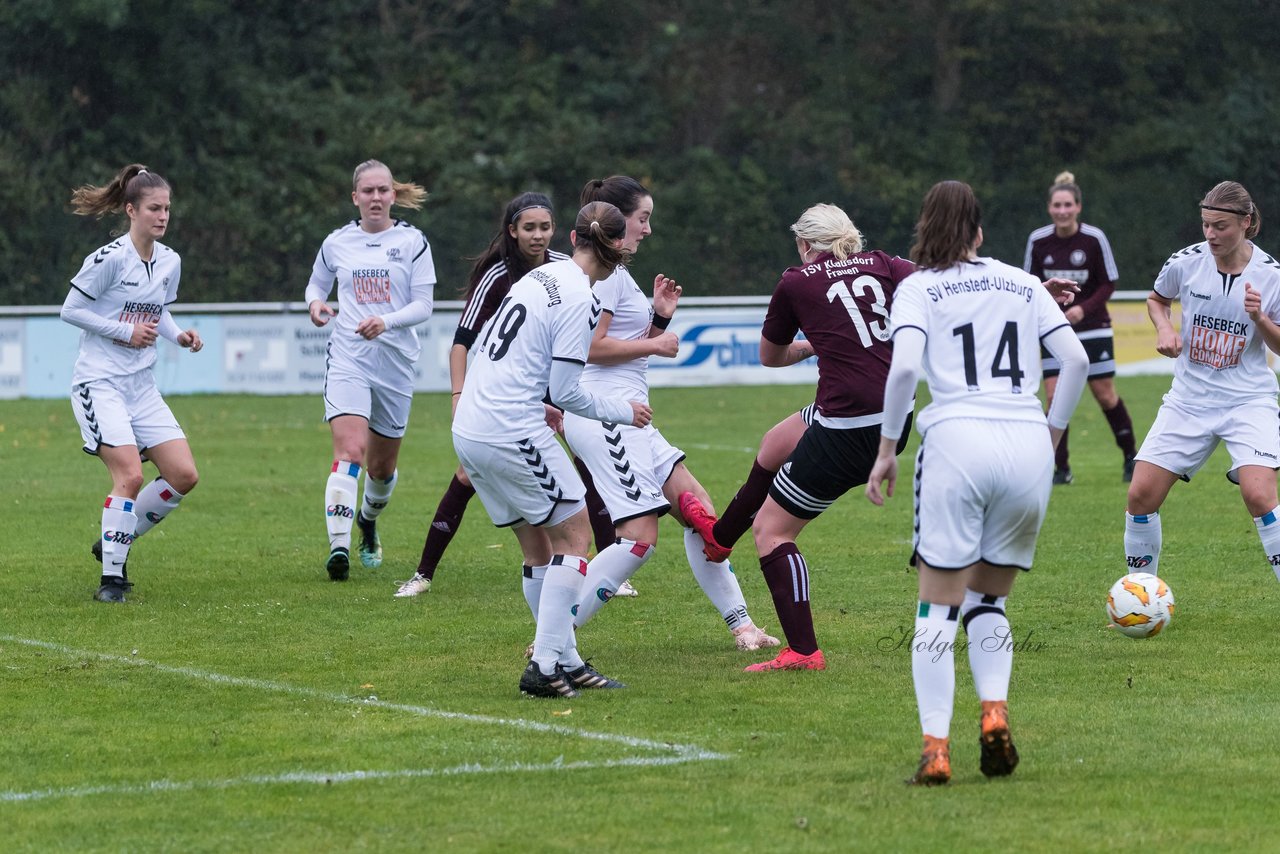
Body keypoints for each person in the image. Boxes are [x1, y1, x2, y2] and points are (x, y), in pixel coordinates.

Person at [866, 180, 1088, 786]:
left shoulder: (917, 287)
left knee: (936, 607)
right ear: (980, 231)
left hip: (957, 439)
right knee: (989, 601)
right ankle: (994, 714)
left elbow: (907, 365)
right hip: (1024, 443)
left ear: (925, 228)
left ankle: (936, 750)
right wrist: (1050, 436)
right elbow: (1076, 361)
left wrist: (887, 450)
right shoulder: (1021, 280)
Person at [685, 203, 915, 671]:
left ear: (805, 244)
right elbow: (951, 281)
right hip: (895, 415)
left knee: (772, 531)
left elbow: (770, 357)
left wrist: (812, 344)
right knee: (776, 441)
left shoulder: (797, 281)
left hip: (849, 428)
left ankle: (803, 652)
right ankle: (720, 538)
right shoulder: (888, 264)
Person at [562, 176, 779, 651]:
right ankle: (553, 638)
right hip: (607, 416)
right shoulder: (603, 277)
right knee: (639, 537)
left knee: (699, 510)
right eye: (643, 219)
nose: (648, 230)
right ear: (617, 223)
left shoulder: (615, 275)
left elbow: (621, 347)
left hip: (627, 414)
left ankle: (743, 628)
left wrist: (657, 318)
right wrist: (657, 342)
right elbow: (589, 348)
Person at [452, 201, 652, 698]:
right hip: (508, 427)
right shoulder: (580, 298)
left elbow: (497, 352)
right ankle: (543, 667)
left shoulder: (539, 277)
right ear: (614, 253)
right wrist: (623, 410)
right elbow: (566, 393)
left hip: (473, 424)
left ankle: (567, 658)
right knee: (576, 536)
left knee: (538, 548)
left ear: (573, 239)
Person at [394, 192, 623, 598]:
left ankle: (558, 648)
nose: (537, 236)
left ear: (565, 234)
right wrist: (457, 394)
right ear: (512, 231)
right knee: (571, 534)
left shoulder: (548, 274)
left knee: (544, 536)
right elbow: (464, 342)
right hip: (506, 415)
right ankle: (427, 574)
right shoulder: (514, 278)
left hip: (500, 412)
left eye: (544, 227)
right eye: (529, 227)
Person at [61, 163, 203, 603]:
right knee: (130, 475)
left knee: (183, 475)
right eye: (154, 208)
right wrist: (124, 332)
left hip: (141, 387)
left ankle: (112, 540)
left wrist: (177, 334)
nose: (162, 216)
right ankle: (112, 580)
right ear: (130, 210)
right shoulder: (108, 259)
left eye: (167, 209)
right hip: (100, 383)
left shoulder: (169, 261)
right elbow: (70, 310)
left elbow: (157, 312)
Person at [1124, 181, 1280, 581]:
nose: (1210, 234)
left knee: (1259, 495)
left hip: (1248, 400)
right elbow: (1158, 299)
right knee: (1140, 495)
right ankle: (1142, 599)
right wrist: (1164, 328)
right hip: (1189, 399)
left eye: (1221, 226)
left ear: (1246, 223)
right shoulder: (1186, 261)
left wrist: (1261, 319)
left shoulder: (1271, 276)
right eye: (1206, 225)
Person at [306, 160, 436, 581]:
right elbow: (316, 284)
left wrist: (387, 321)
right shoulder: (337, 242)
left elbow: (423, 305)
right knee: (350, 452)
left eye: (383, 190)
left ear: (393, 195)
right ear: (355, 197)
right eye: (368, 191)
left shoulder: (413, 242)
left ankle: (368, 521)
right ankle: (338, 547)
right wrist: (315, 303)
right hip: (348, 358)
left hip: (395, 365)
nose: (376, 197)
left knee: (380, 471)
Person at [1024, 171, 1136, 484]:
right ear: (1049, 208)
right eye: (1057, 205)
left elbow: (1108, 283)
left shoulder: (1094, 239)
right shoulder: (1038, 240)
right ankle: (1060, 468)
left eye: (1068, 205)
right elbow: (1030, 284)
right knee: (1054, 395)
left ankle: (1130, 457)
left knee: (1104, 394)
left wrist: (1082, 310)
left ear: (1078, 207)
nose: (1062, 211)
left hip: (1093, 326)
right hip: (1053, 329)